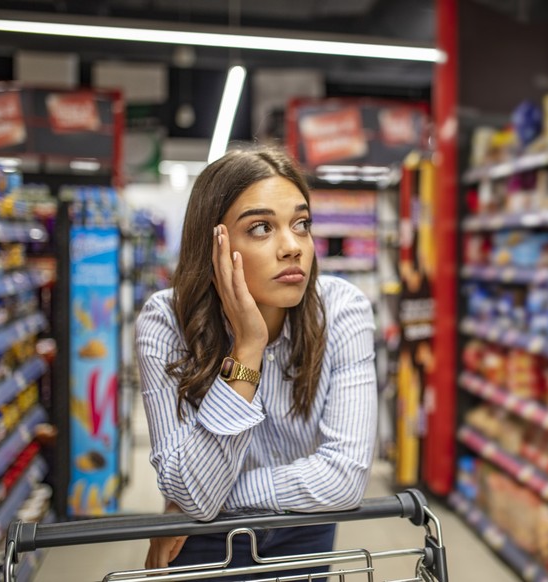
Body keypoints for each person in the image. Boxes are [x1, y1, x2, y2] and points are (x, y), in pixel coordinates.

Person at [135, 145, 377, 581]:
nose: (292, 248)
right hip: (202, 541)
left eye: (301, 224)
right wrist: (247, 348)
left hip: (301, 528)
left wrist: (203, 500)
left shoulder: (342, 311)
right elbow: (193, 493)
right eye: (262, 227)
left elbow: (343, 478)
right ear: (213, 243)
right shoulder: (166, 322)